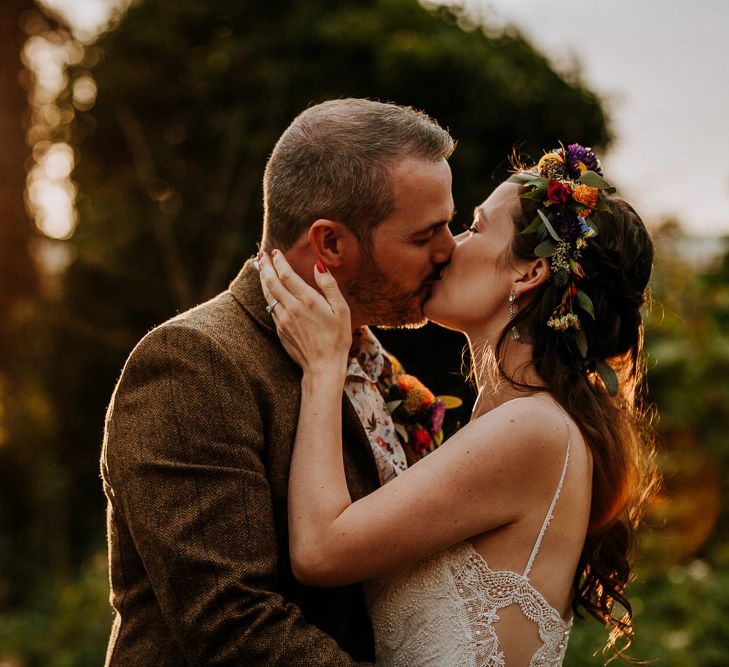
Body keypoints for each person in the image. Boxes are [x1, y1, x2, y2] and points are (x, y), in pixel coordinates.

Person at [258, 144, 659, 665]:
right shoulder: (522, 423)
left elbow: (319, 551)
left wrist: (323, 365)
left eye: (474, 226)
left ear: (529, 272)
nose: (448, 248)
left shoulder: (532, 429)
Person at [100, 98, 456, 665]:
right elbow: (233, 623)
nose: (449, 250)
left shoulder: (370, 357)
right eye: (424, 236)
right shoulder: (192, 361)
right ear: (330, 244)